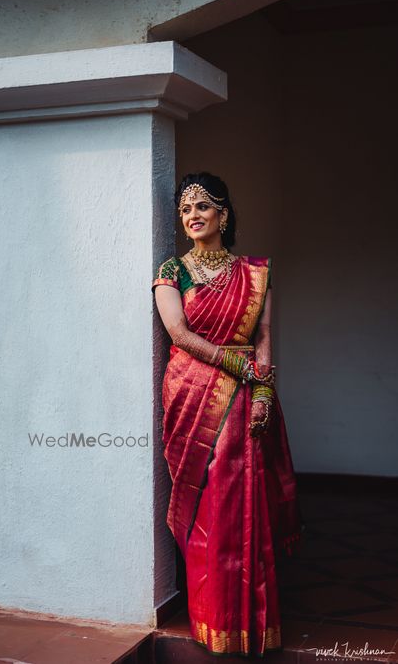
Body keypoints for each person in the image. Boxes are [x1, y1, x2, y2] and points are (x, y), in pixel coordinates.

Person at [151, 172, 304, 658]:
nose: (192, 217)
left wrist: (262, 390)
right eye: (185, 210)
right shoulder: (173, 270)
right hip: (195, 391)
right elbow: (177, 332)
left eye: (202, 207)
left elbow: (263, 336)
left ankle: (252, 621)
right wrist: (236, 365)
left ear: (224, 213)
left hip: (248, 395)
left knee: (247, 499)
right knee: (210, 500)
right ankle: (212, 617)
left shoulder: (255, 272)